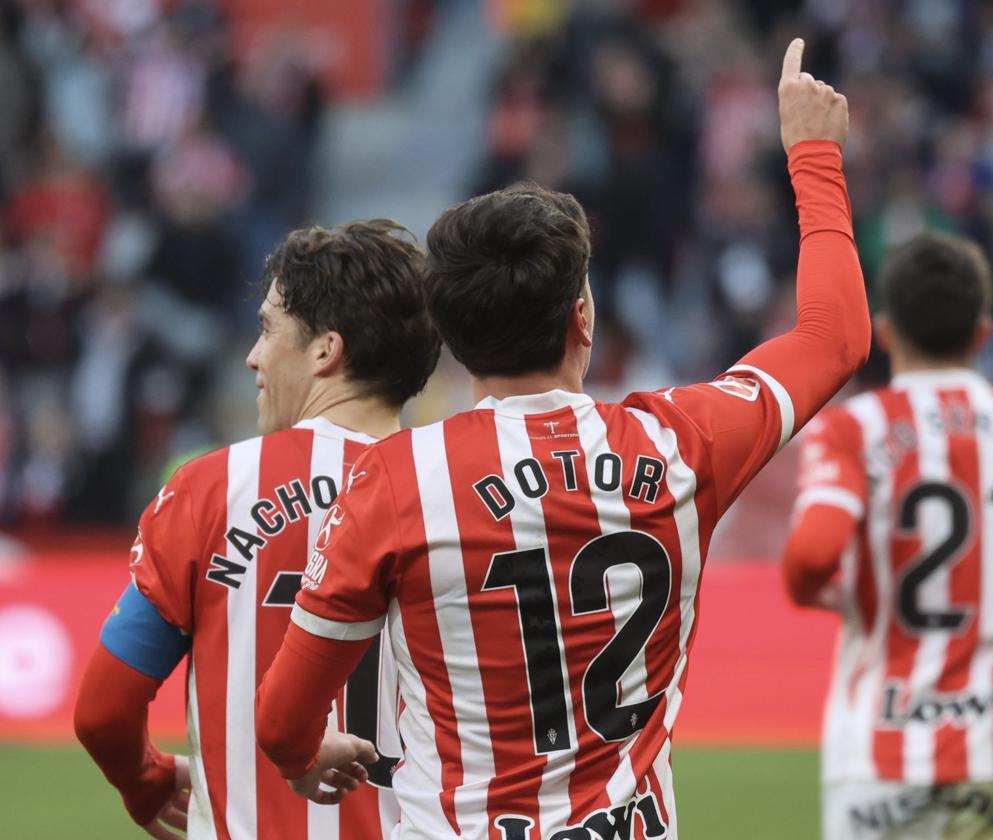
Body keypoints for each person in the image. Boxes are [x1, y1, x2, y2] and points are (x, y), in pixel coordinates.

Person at [254, 38, 870, 839]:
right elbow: (835, 338)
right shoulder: (679, 444)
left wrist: (306, 754)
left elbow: (279, 720)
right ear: (583, 319)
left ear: (448, 333)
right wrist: (814, 155)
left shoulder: (400, 480)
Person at [73, 220, 442, 840]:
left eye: (269, 329)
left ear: (326, 350)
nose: (252, 355)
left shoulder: (210, 489)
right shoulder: (458, 495)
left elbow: (104, 712)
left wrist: (149, 781)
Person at [781, 231, 993, 839]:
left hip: (877, 758)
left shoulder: (853, 431)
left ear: (886, 333)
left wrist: (834, 593)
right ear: (984, 334)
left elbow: (811, 555)